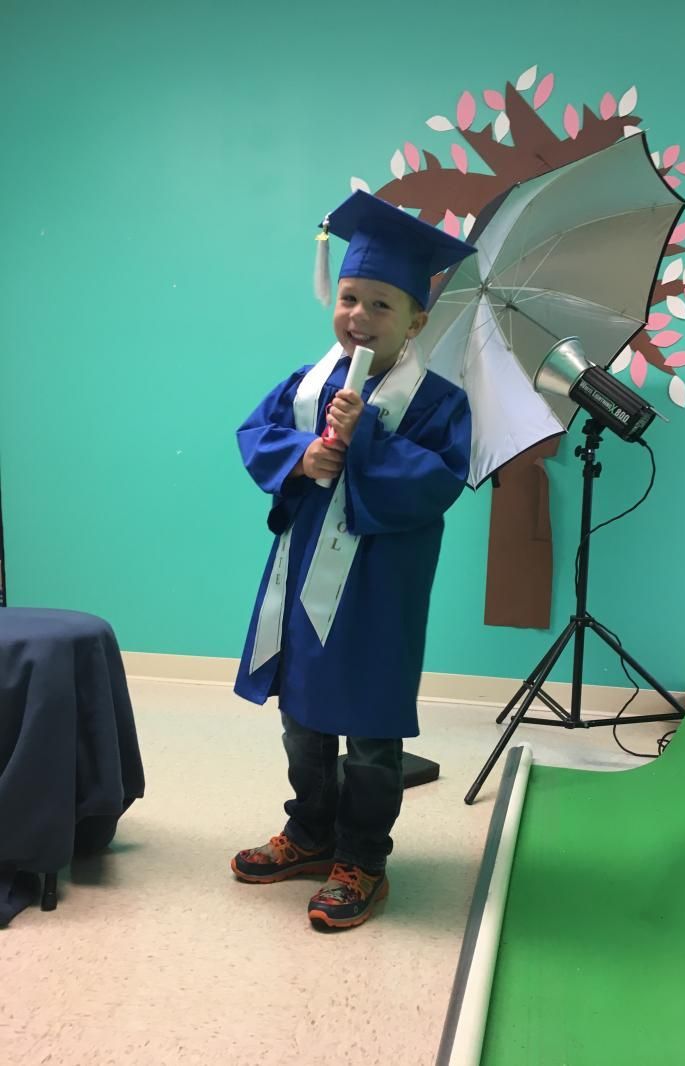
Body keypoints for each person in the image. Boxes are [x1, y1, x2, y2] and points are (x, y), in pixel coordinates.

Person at [231, 191, 476, 929]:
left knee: (369, 731)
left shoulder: (437, 401)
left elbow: (435, 483)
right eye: (348, 298)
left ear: (417, 320)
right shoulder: (309, 384)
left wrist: (366, 434)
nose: (359, 317)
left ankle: (363, 857)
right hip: (300, 577)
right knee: (302, 715)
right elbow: (255, 433)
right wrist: (305, 453)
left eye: (381, 304)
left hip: (378, 591)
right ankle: (310, 832)